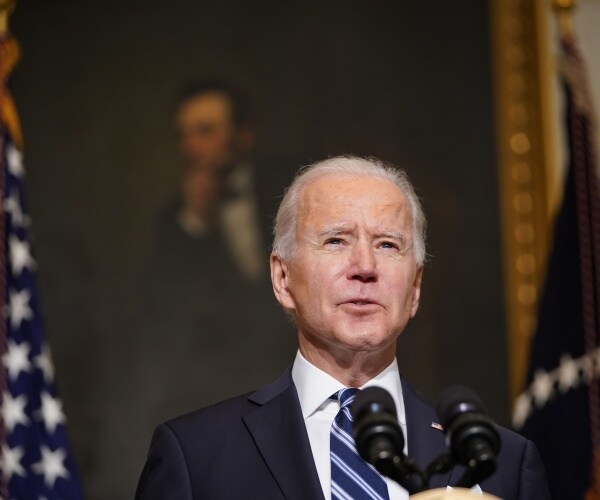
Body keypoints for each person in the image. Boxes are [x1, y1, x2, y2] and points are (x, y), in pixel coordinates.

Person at [136, 156, 550, 499]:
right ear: (283, 279)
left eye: (388, 244)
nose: (365, 268)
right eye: (336, 240)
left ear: (416, 288)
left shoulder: (505, 466)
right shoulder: (197, 455)